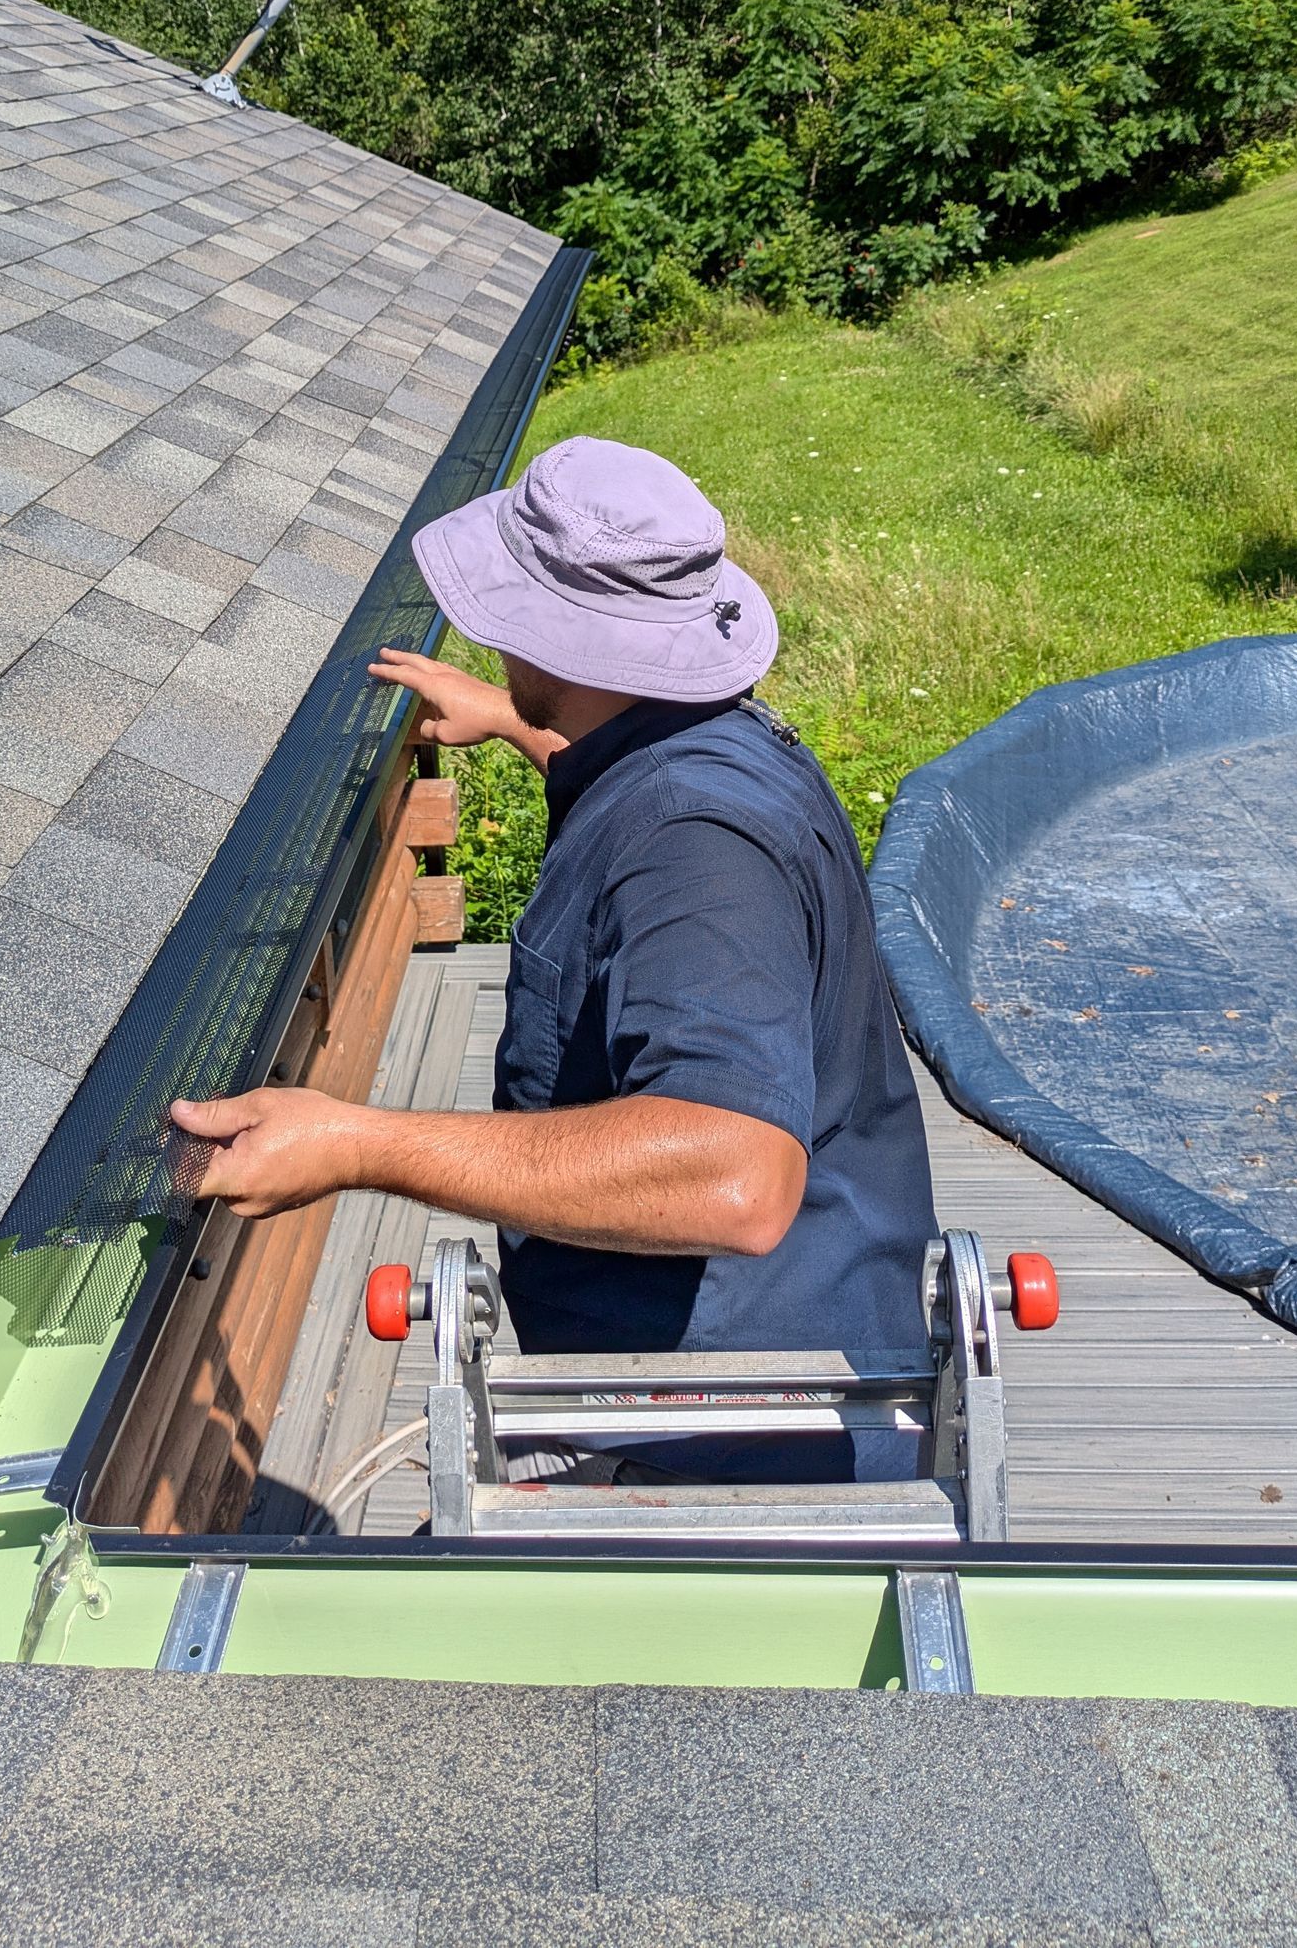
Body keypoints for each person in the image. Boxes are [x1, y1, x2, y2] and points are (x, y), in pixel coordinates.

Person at [171, 435, 937, 1479]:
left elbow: (738, 1175)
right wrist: (519, 723)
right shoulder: (707, 744)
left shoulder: (696, 848)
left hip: (751, 1440)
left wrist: (356, 1143)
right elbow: (644, 784)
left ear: (564, 640)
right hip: (763, 1378)